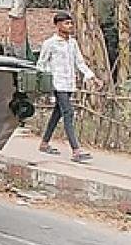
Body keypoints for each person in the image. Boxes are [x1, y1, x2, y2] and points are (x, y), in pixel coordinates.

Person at [36, 10, 104, 163]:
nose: (70, 26)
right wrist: (46, 81)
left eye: (71, 23)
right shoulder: (50, 43)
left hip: (69, 83)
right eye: (66, 23)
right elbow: (41, 64)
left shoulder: (72, 43)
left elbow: (80, 63)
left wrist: (93, 77)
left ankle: (44, 143)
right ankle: (76, 150)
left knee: (58, 113)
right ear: (58, 25)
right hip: (57, 83)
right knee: (68, 112)